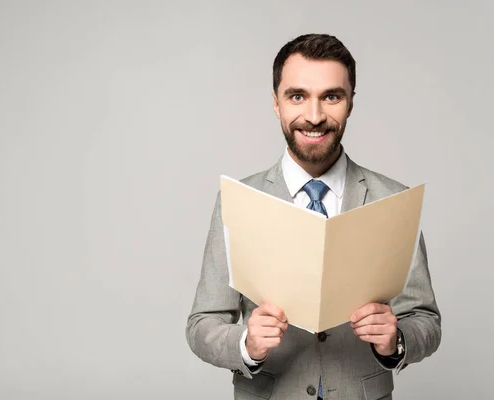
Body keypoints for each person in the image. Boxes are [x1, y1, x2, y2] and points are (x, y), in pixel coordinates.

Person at [185, 34, 441, 400]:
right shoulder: (235, 201)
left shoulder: (394, 199)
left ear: (350, 104)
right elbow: (201, 325)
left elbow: (426, 320)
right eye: (297, 96)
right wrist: (246, 344)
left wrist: (396, 340)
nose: (315, 116)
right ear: (276, 104)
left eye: (332, 96)